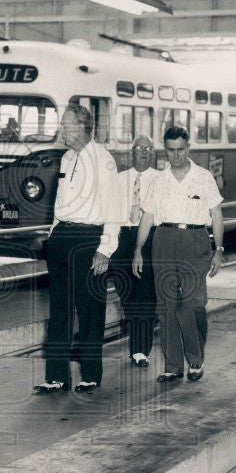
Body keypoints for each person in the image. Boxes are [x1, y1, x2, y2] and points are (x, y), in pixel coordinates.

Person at [34, 103, 119, 394]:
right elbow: (60, 203)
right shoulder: (67, 158)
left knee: (90, 311)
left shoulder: (104, 160)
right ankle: (56, 376)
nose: (61, 130)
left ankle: (91, 373)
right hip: (62, 238)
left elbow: (114, 209)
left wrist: (105, 249)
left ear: (82, 127)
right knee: (59, 311)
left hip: (89, 240)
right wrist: (52, 233)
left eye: (66, 125)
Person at [133, 126, 223, 383]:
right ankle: (173, 366)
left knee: (193, 304)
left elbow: (216, 215)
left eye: (180, 150)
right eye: (170, 150)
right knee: (167, 306)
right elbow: (147, 217)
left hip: (195, 241)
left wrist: (219, 250)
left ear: (188, 148)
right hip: (164, 239)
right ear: (166, 150)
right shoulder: (159, 180)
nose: (175, 155)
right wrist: (138, 251)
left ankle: (195, 359)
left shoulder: (204, 177)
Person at [108, 135, 161, 367]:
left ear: (153, 153)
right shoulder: (118, 180)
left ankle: (140, 349)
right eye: (139, 148)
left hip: (150, 237)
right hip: (123, 238)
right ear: (132, 152)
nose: (143, 152)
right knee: (127, 293)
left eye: (148, 148)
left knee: (146, 295)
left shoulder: (161, 180)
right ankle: (136, 339)